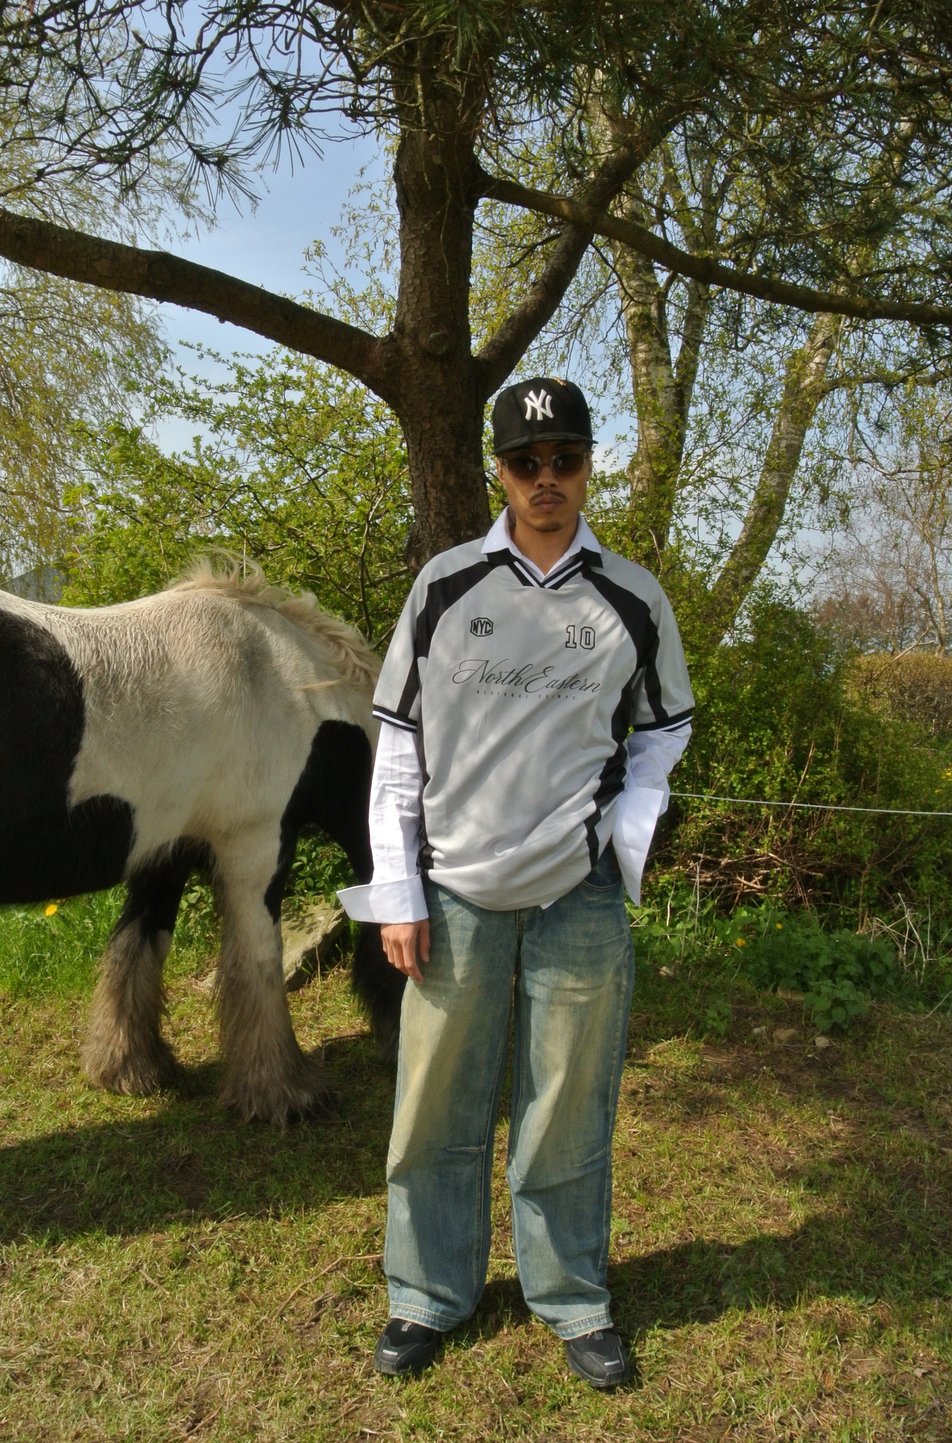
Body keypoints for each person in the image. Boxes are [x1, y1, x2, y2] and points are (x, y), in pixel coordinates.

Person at [339, 376, 694, 1387]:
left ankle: (573, 1297)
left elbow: (667, 723)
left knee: (567, 1108)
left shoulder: (632, 597)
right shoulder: (445, 587)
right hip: (453, 889)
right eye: (527, 463)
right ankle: (426, 1295)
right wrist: (398, 890)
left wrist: (631, 819)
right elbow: (397, 745)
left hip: (576, 893)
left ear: (587, 467)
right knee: (435, 1109)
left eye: (566, 461)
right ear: (497, 469)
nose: (547, 480)